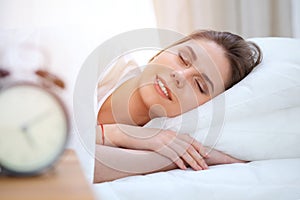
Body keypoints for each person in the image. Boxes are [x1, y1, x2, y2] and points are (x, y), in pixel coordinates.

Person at [94, 30, 262, 183]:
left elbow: (84, 165)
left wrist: (179, 156)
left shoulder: (164, 135)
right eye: (183, 59)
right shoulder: (101, 58)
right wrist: (117, 133)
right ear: (160, 52)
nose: (179, 76)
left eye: (199, 85)